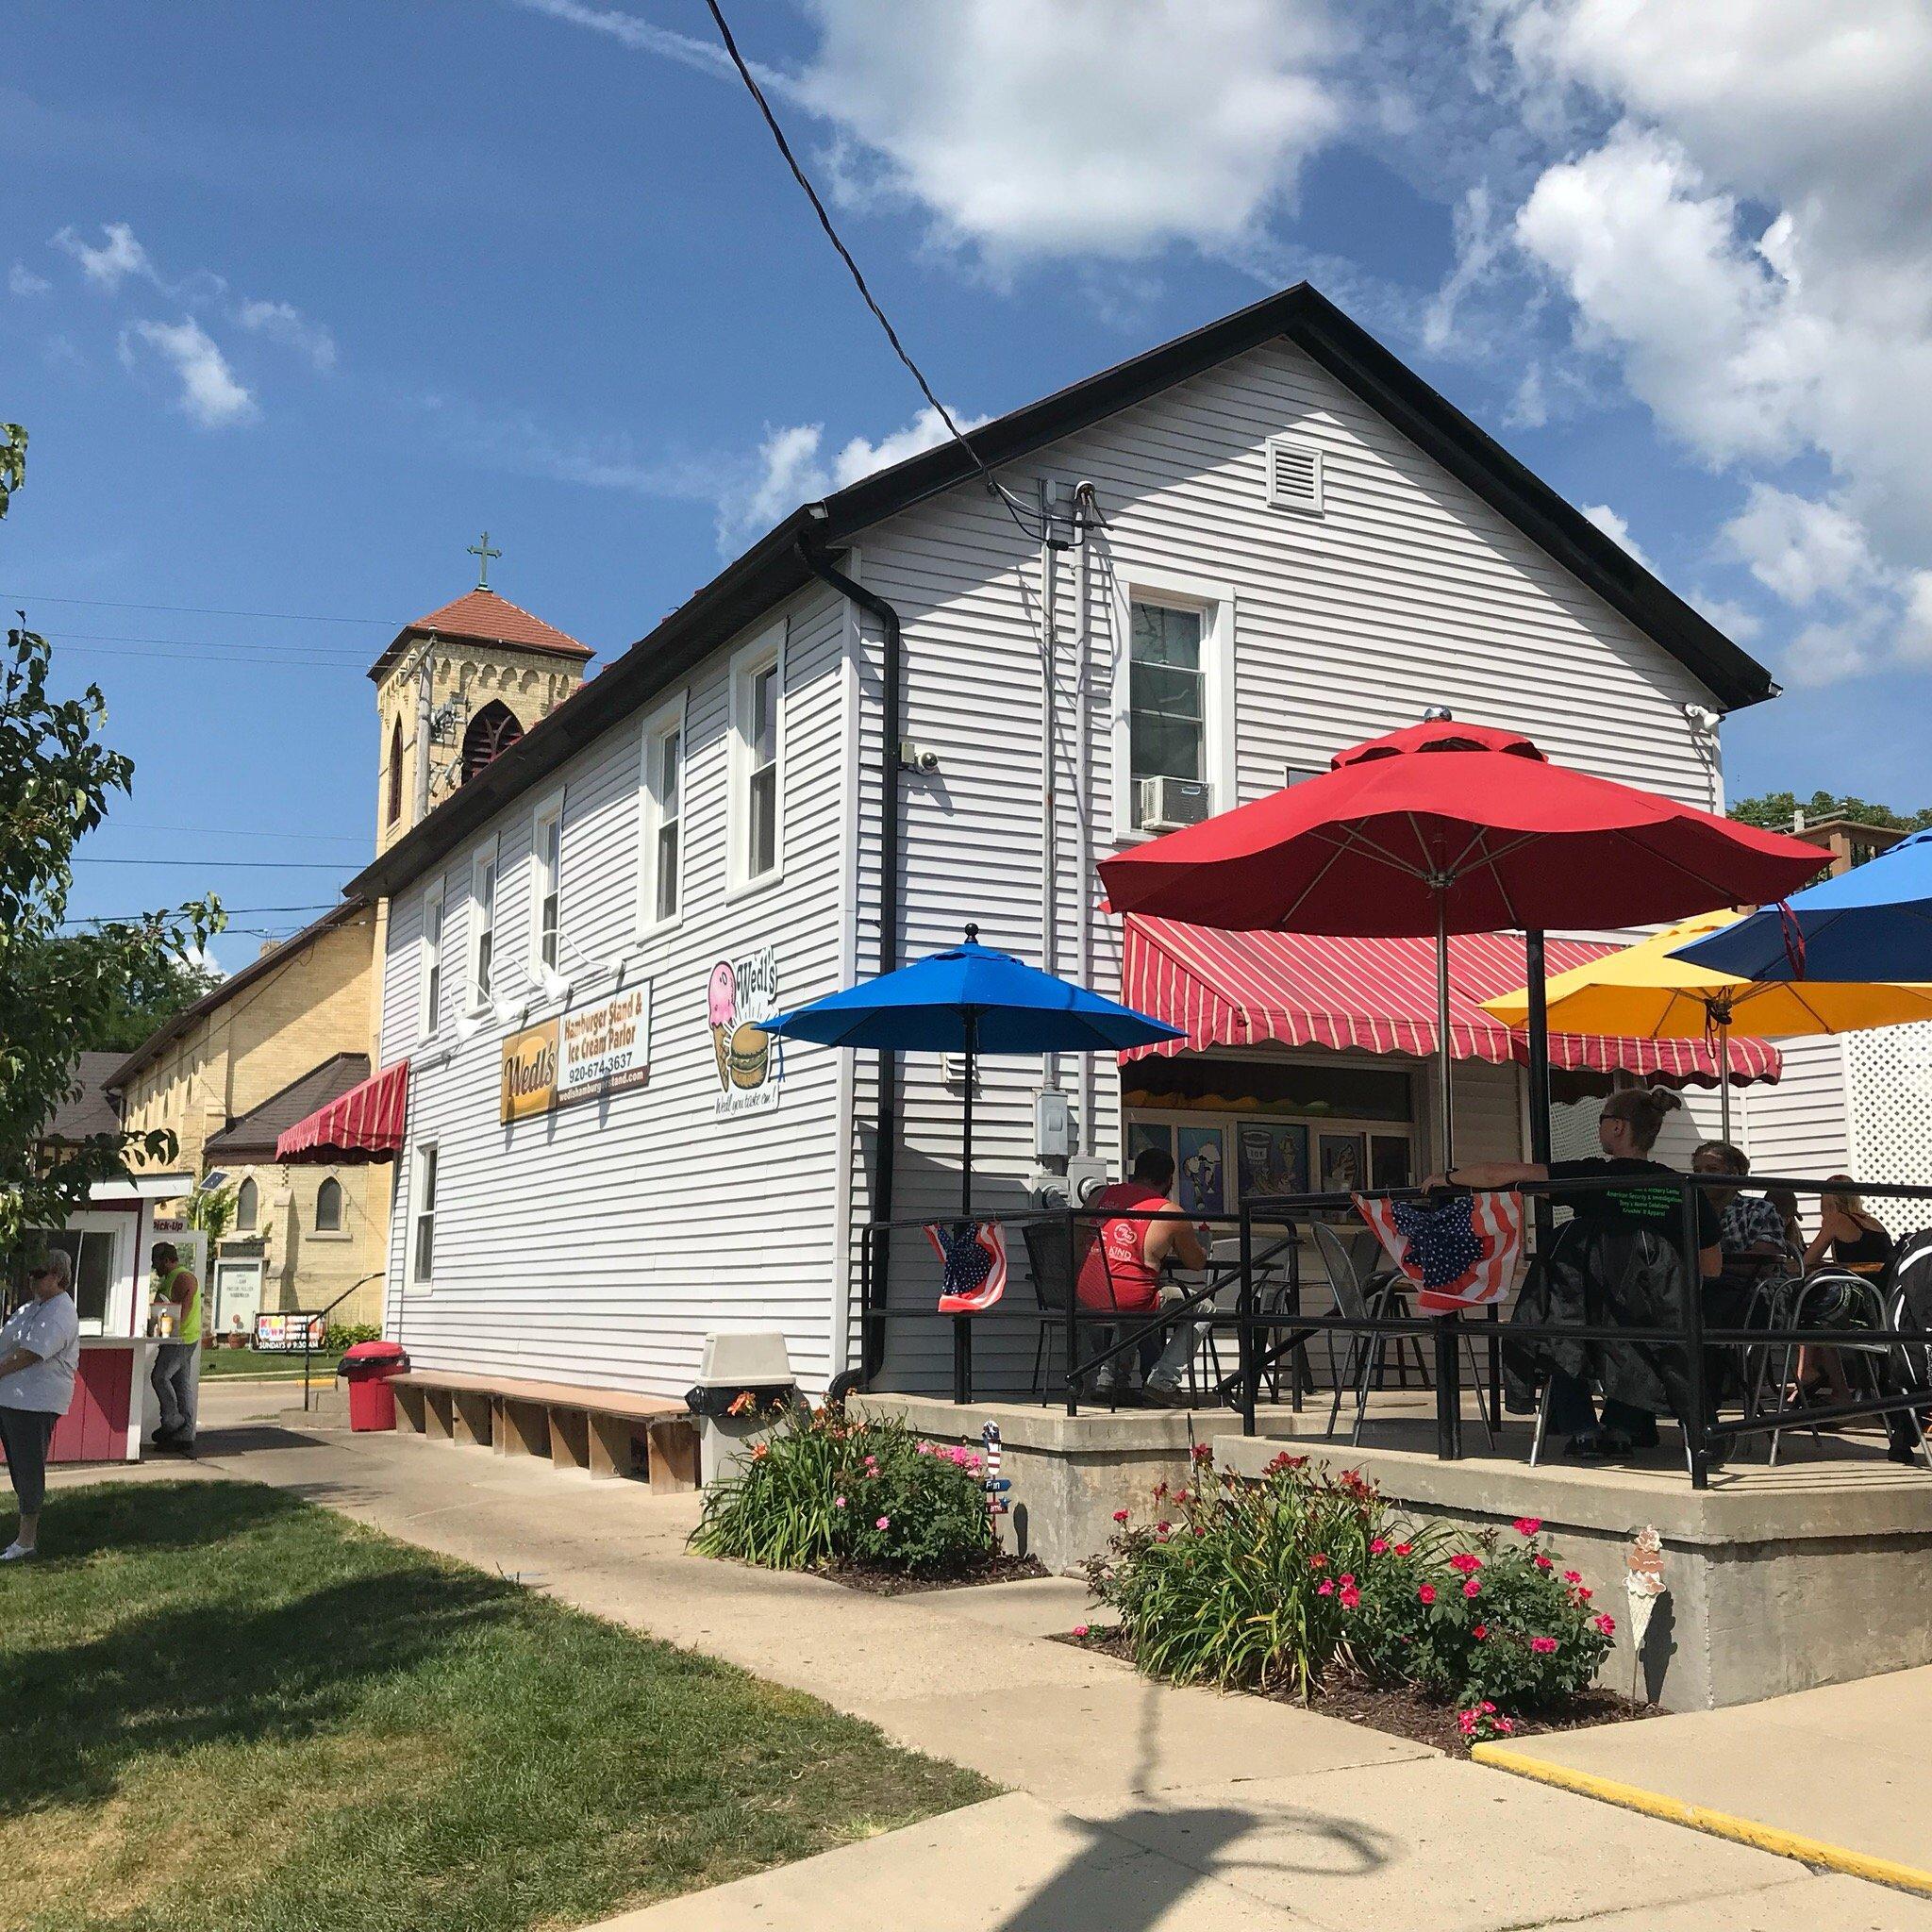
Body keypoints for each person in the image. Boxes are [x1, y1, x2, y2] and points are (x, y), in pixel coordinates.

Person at [1432, 1086, 1723, 1460]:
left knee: (1559, 1330)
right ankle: (1621, 1427)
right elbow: (1712, 1267)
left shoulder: (1592, 1178)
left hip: (1583, 1314)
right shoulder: (1684, 1189)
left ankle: (1583, 1428)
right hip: (1659, 1321)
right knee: (1640, 1337)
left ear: (1618, 1127)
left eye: (1601, 1121)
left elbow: (1498, 1173)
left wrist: (1449, 1179)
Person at [1075, 1147, 1208, 1407]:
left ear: (1136, 1173)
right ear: (1168, 1180)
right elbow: (1196, 1263)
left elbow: (1076, 1242)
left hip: (1087, 1295)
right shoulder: (1169, 1212)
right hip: (1130, 1299)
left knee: (1135, 1297)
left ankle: (1111, 1380)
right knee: (1204, 1308)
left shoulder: (1100, 1195)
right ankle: (1162, 1381)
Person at [0, 1251, 81, 1560]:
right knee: (19, 1467)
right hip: (11, 1398)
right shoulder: (31, 1308)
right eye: (32, 1273)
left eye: (40, 1273)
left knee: (27, 1468)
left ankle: (26, 1540)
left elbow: (31, 1353)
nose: (32, 1279)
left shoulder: (61, 1311)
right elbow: (9, 1342)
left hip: (34, 1403)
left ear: (58, 1276)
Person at [149, 1241, 200, 1453]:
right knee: (180, 1383)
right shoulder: (171, 1278)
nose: (155, 1267)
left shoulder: (182, 1278)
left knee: (160, 1377)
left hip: (180, 1339)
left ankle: (173, 1421)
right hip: (178, 1338)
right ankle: (184, 1433)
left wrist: (169, 1333)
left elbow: (182, 1311)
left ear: (167, 1260)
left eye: (157, 1262)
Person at [1803, 1178, 1896, 1275]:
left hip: (1861, 1286)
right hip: (1887, 1284)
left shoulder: (1836, 1220)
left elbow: (1807, 1262)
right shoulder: (1873, 1222)